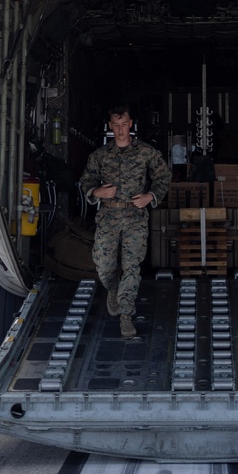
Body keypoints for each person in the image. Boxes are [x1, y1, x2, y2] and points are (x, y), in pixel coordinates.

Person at [80, 104, 170, 339]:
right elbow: (86, 180)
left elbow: (163, 176)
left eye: (124, 124)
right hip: (108, 216)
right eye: (116, 125)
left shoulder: (146, 153)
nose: (120, 130)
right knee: (103, 263)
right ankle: (112, 287)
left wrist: (151, 196)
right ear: (110, 126)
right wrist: (96, 192)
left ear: (130, 124)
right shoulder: (100, 155)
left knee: (132, 266)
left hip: (134, 217)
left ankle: (126, 316)